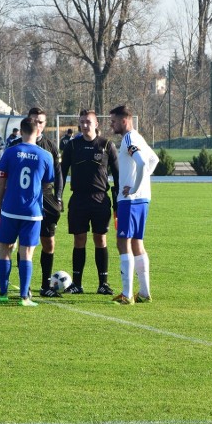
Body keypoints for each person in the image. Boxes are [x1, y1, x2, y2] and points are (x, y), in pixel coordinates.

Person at [0, 117, 55, 306]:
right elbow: (47, 182)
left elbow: (1, 183)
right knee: (26, 253)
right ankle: (24, 297)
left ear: (20, 131)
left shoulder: (10, 152)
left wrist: (0, 205)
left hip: (10, 209)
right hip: (32, 211)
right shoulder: (45, 155)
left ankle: (3, 293)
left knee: (5, 250)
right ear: (37, 131)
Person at [60, 109, 120, 295]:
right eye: (82, 122)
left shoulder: (106, 145)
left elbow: (118, 174)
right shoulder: (72, 145)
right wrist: (58, 197)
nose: (85, 125)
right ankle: (77, 284)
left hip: (100, 199)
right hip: (78, 199)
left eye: (88, 122)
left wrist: (118, 200)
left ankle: (103, 283)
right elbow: (61, 173)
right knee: (79, 240)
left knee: (100, 239)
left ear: (96, 124)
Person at [11, 107, 64, 298]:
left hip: (46, 199)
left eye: (41, 121)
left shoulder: (50, 146)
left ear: (45, 124)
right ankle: (25, 286)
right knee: (25, 244)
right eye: (34, 121)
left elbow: (59, 175)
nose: (37, 125)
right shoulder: (16, 146)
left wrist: (58, 198)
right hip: (24, 201)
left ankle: (45, 285)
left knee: (48, 243)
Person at [109, 105, 159, 305]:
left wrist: (134, 186)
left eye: (113, 121)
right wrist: (142, 185)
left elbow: (142, 163)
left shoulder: (129, 138)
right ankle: (145, 293)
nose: (111, 124)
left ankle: (127, 294)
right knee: (137, 242)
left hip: (130, 200)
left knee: (123, 242)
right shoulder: (139, 137)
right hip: (143, 198)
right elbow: (154, 159)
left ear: (124, 120)